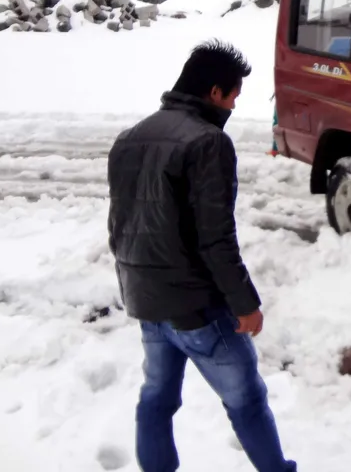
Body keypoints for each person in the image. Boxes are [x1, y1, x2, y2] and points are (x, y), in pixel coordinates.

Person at [107, 39, 297, 472]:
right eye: (232, 95)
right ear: (214, 92)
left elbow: (119, 223)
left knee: (156, 397)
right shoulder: (208, 142)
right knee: (247, 400)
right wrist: (245, 304)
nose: (233, 105)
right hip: (198, 308)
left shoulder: (130, 138)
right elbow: (215, 237)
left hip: (147, 300)